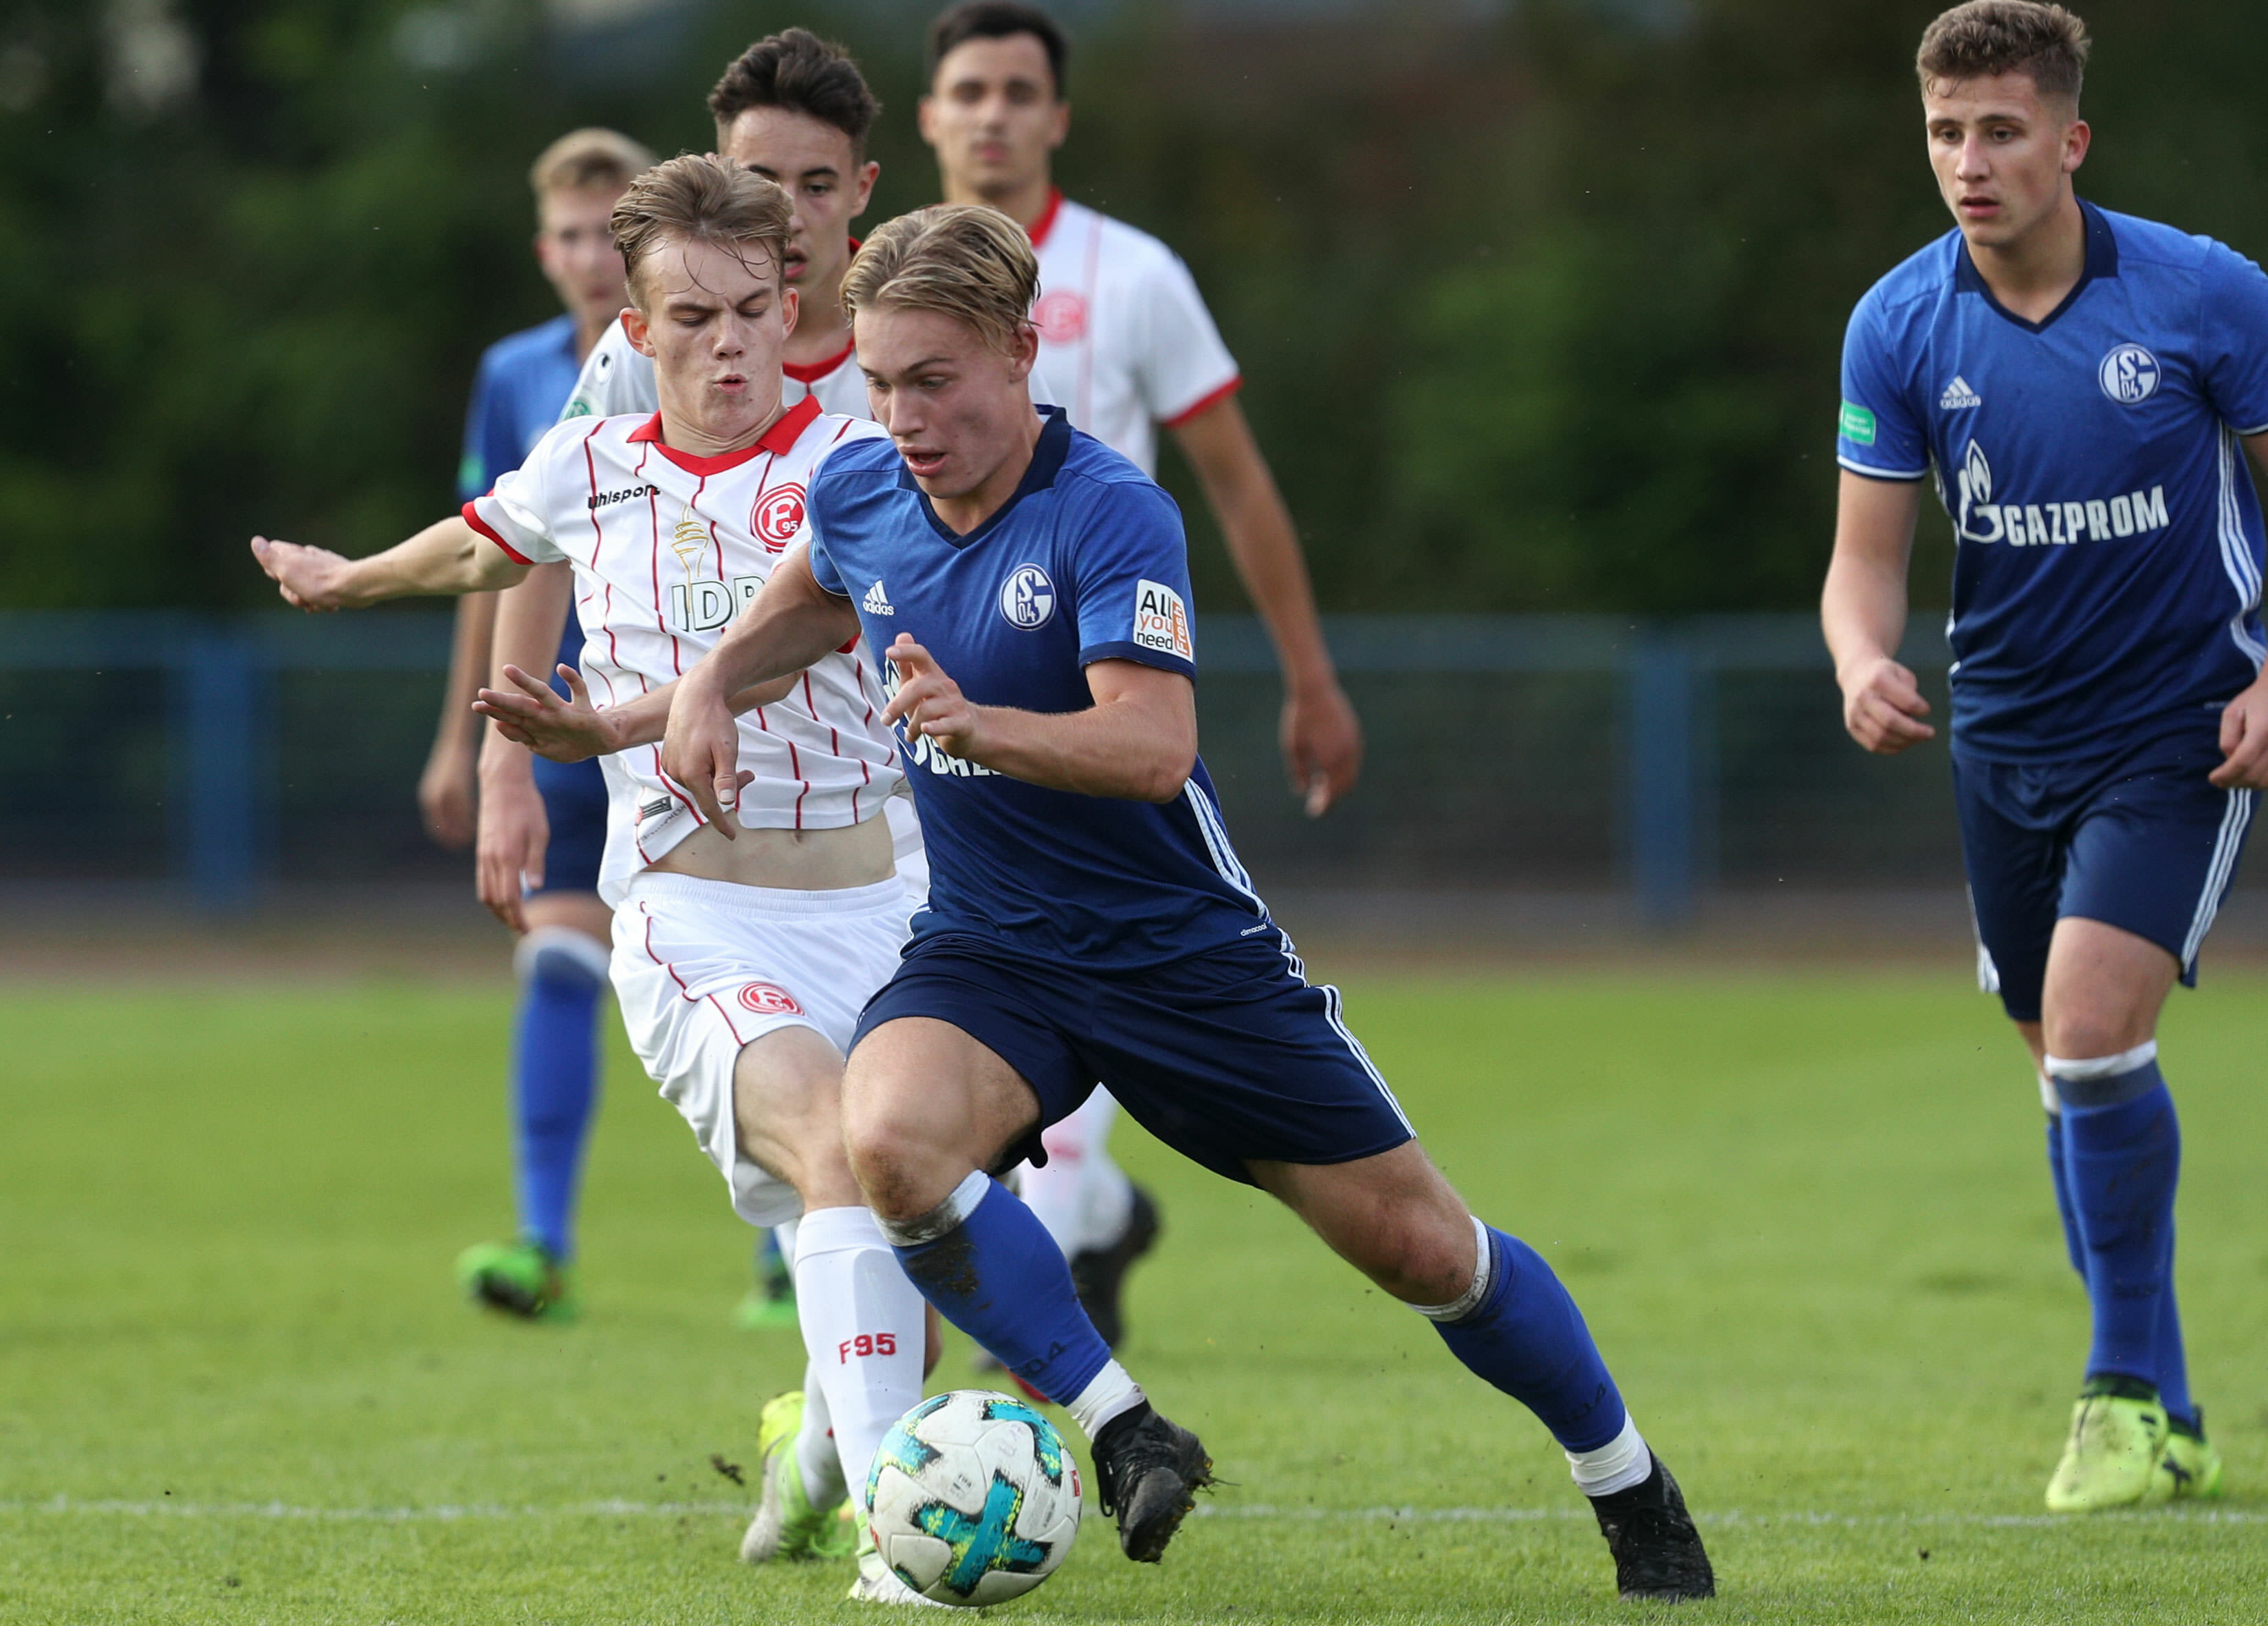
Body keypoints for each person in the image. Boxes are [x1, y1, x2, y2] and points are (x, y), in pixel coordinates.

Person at [662, 203, 1714, 1599]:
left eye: (932, 380)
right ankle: (1123, 1429)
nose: (899, 414)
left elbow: (1150, 751)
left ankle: (1627, 1481)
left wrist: (981, 729)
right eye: (875, 380)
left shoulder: (1108, 512)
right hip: (990, 951)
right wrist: (698, 686)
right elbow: (803, 604)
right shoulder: (862, 490)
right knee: (890, 1146)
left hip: (1178, 955)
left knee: (1421, 1251)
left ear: (1018, 354)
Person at [254, 155, 936, 1604]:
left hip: (882, 908)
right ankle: (902, 1533)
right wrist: (346, 578)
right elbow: (483, 540)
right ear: (635, 325)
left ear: (790, 299)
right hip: (693, 908)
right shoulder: (592, 460)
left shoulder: (853, 464)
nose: (729, 343)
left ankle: (818, 1466)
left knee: (900, 1208)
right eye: (690, 317)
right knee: (832, 1148)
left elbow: (813, 630)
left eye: (753, 309)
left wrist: (611, 720)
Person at [1823, 0, 2262, 1512]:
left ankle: (2120, 1403)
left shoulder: (2205, 297)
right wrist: (1858, 656)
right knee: (2070, 1084)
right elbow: (1861, 560)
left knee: (2085, 1031)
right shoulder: (1897, 322)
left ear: (2069, 140)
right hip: (1999, 747)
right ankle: (2182, 1408)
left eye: (2001, 131)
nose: (1969, 161)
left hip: (2177, 733)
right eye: (1945, 133)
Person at [915, 0, 1367, 1347]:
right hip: (915, 745)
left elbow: (1235, 482)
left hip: (1087, 736)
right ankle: (1057, 1254)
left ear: (1056, 117)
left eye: (1015, 91)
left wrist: (1308, 676)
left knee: (1042, 1106)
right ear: (928, 118)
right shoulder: (876, 293)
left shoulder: (1133, 275)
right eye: (966, 91)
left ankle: (1057, 1350)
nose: (990, 114)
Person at [536, 30, 888, 1332]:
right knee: (833, 1147)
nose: (781, 214)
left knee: (912, 1166)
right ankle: (876, 1458)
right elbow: (539, 518)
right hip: (703, 841)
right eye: (755, 176)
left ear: (859, 190)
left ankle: (829, 1445)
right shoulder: (644, 349)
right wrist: (500, 762)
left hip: (894, 812)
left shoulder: (909, 354)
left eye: (809, 183)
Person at [422, 127, 654, 1323]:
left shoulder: (708, 351)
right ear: (543, 247)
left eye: (609, 232)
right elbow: (495, 551)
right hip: (553, 713)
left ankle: (788, 1254)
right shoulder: (514, 374)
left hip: (674, 717)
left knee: (744, 974)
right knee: (557, 960)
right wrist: (472, 739)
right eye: (568, 234)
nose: (589, 257)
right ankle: (543, 1241)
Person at [560, 29, 884, 422]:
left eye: (817, 187)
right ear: (720, 173)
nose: (790, 216)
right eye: (761, 182)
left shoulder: (911, 333)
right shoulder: (645, 347)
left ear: (861, 188)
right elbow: (564, 476)